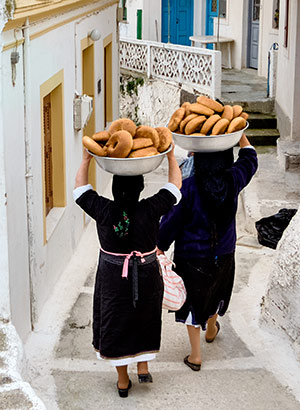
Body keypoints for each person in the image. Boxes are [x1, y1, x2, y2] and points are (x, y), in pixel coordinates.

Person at [73, 145, 181, 397]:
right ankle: (142, 365)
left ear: (113, 189)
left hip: (112, 279)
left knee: (116, 322)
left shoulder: (103, 209)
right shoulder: (150, 208)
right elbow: (175, 187)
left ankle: (123, 381)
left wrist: (86, 160)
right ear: (141, 188)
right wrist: (171, 156)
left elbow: (80, 191)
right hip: (146, 274)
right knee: (145, 317)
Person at [157, 134, 258, 371]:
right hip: (224, 252)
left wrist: (159, 244)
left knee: (193, 302)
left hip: (191, 255)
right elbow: (250, 159)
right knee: (216, 290)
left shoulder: (188, 187)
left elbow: (172, 221)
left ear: (199, 160)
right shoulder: (234, 179)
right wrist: (240, 135)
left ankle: (195, 356)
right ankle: (211, 329)